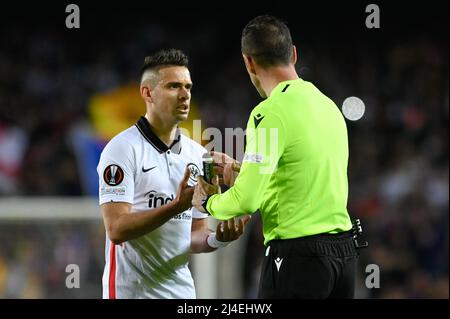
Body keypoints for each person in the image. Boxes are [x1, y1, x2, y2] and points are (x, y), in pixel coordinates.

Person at [193, 16, 358, 298]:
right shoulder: (328, 105)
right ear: (293, 53)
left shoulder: (268, 113)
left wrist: (208, 203)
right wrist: (239, 168)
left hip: (299, 259)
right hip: (344, 256)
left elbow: (246, 200)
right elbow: (298, 174)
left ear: (249, 62)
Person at [97, 48, 250, 299]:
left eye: (188, 87)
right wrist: (175, 206)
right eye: (173, 86)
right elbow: (116, 229)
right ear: (147, 93)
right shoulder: (121, 150)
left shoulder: (197, 155)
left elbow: (194, 234)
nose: (184, 95)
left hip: (182, 295)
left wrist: (216, 239)